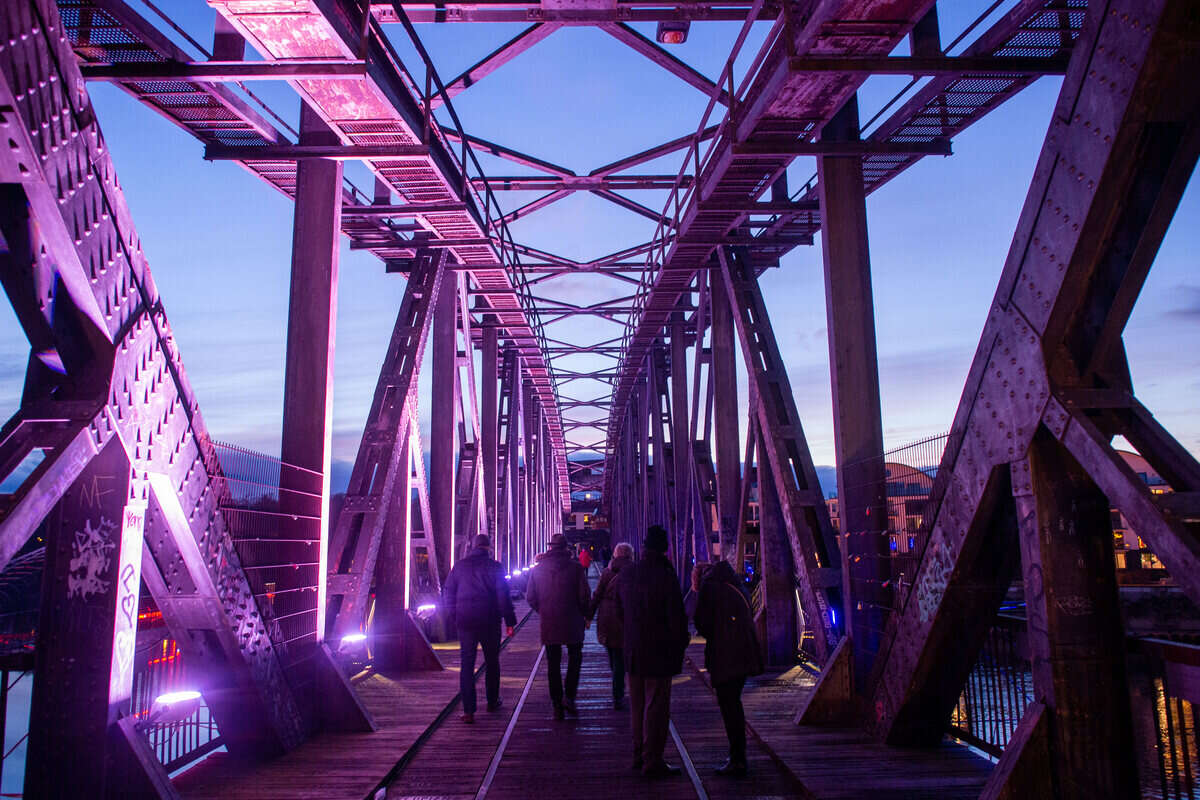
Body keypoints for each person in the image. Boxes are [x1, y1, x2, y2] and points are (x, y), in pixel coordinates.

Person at [615, 525, 689, 779]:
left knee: (636, 706)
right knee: (656, 707)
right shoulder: (666, 576)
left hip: (633, 651)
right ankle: (653, 759)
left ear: (644, 547)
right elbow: (677, 619)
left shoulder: (627, 574)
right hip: (659, 653)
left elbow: (618, 612)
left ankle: (638, 754)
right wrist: (680, 645)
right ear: (665, 549)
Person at [693, 559, 764, 776]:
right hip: (745, 652)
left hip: (725, 654)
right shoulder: (735, 583)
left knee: (729, 705)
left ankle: (737, 759)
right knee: (734, 703)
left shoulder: (709, 588)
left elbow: (701, 622)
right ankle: (738, 755)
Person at [441, 533, 517, 724]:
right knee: (492, 662)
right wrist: (509, 621)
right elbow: (503, 597)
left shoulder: (459, 567)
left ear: (472, 547)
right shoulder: (496, 567)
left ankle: (468, 711)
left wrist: (454, 616)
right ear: (488, 548)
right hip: (490, 621)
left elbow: (448, 593)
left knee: (466, 664)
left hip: (465, 622)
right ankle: (492, 702)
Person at [526, 533, 590, 719]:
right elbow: (584, 596)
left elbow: (530, 597)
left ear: (550, 547)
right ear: (566, 548)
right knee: (575, 659)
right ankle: (569, 697)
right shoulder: (576, 568)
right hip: (573, 621)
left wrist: (544, 610)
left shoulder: (537, 569)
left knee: (553, 663)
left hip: (549, 622)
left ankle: (556, 704)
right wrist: (585, 615)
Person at [588, 542, 633, 709]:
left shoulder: (607, 572)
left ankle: (617, 692)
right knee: (622, 657)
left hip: (607, 618)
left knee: (614, 657)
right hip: (627, 619)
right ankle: (620, 691)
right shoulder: (634, 572)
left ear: (615, 554)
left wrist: (589, 616)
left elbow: (597, 594)